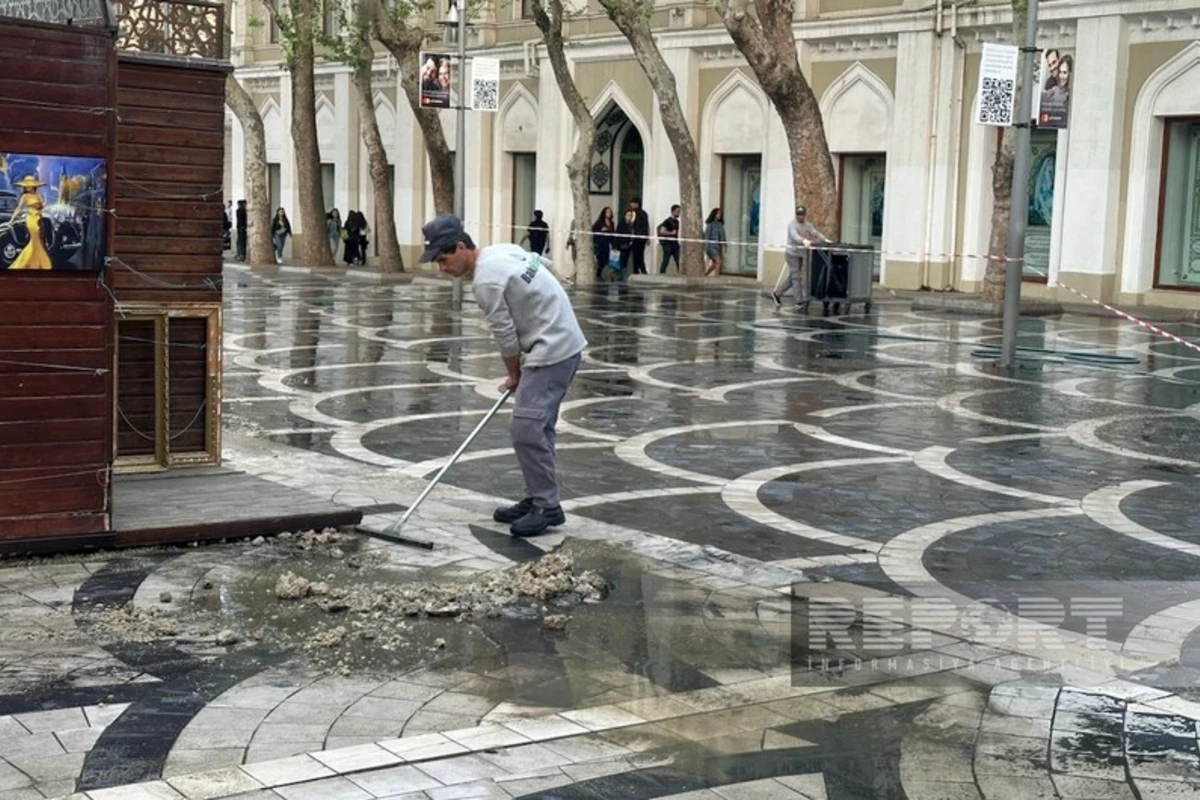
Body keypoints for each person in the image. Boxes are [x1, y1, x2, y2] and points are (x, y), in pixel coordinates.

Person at [419, 214, 586, 537]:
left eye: (443, 259)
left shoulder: (486, 280)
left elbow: (505, 335)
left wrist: (514, 374)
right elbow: (543, 262)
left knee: (526, 427)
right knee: (537, 428)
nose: (442, 268)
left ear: (460, 247)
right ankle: (536, 496)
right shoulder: (501, 251)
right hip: (560, 341)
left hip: (552, 349)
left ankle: (548, 507)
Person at [773, 204, 830, 310]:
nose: (800, 217)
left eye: (802, 214)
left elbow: (815, 233)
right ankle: (798, 301)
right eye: (798, 214)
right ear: (796, 215)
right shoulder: (792, 225)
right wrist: (803, 240)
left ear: (805, 215)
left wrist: (825, 240)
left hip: (801, 255)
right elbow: (794, 236)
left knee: (793, 277)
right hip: (792, 254)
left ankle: (777, 293)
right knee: (796, 278)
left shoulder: (807, 225)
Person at [8, 175, 52, 270]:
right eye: (26, 185)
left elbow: (42, 208)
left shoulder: (39, 196)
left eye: (30, 185)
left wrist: (42, 207)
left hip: (39, 219)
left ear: (34, 186)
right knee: (35, 238)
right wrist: (12, 220)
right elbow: (19, 208)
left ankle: (37, 261)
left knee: (40, 240)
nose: (28, 187)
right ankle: (31, 261)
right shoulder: (24, 196)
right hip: (31, 219)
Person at [628, 196, 650, 275]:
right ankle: (640, 270)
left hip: (637, 237)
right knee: (640, 255)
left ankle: (637, 271)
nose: (631, 205)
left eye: (633, 204)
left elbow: (632, 224)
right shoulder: (644, 213)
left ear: (637, 204)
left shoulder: (634, 213)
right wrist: (647, 236)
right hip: (643, 237)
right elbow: (646, 225)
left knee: (636, 255)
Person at [592, 207, 615, 280]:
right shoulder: (599, 222)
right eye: (607, 212)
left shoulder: (612, 223)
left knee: (606, 260)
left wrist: (613, 244)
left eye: (610, 212)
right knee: (600, 260)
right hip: (600, 243)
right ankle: (598, 274)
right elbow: (594, 230)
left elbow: (613, 234)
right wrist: (601, 230)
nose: (609, 213)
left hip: (607, 243)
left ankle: (602, 274)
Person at [615, 206, 637, 280]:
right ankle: (621, 275)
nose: (629, 217)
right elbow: (619, 235)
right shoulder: (621, 224)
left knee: (628, 261)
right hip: (623, 245)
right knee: (622, 261)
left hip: (629, 245)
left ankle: (625, 274)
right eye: (628, 215)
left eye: (630, 215)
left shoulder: (631, 225)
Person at [658, 204, 680, 274]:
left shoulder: (677, 222)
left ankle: (680, 273)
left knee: (679, 260)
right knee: (666, 260)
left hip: (675, 244)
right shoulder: (667, 221)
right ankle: (662, 273)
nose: (679, 213)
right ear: (673, 211)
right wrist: (671, 233)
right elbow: (662, 231)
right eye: (677, 211)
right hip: (668, 244)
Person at [703, 208, 725, 277]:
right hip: (711, 246)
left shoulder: (720, 225)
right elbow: (707, 236)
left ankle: (705, 274)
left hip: (718, 246)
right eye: (718, 213)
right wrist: (706, 248)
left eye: (720, 214)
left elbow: (722, 235)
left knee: (715, 263)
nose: (719, 215)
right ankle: (716, 277)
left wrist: (724, 244)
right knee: (718, 261)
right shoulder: (710, 224)